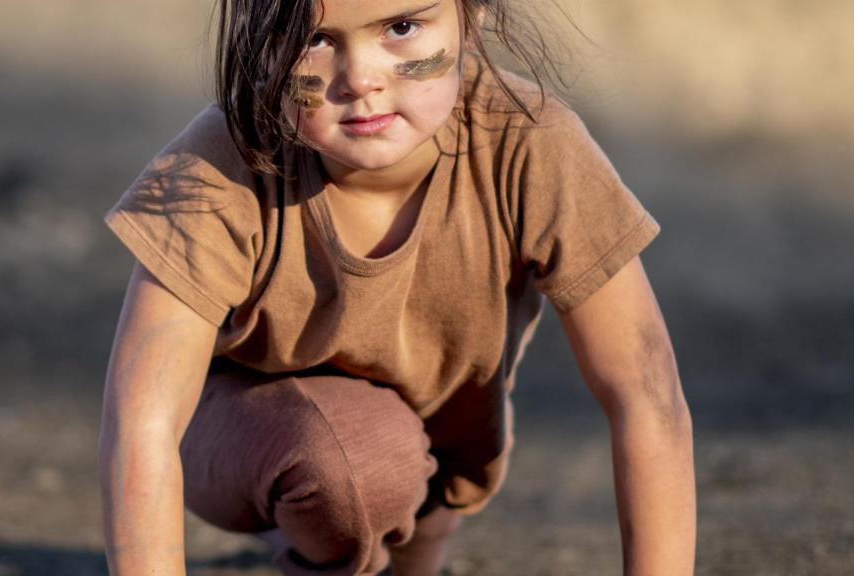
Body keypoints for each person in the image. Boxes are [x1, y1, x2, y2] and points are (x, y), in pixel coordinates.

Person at [98, 0, 696, 574]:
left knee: (385, 483)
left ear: (471, 16)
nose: (360, 79)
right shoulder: (222, 164)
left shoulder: (532, 147)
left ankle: (390, 545)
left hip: (438, 463)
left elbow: (645, 392)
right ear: (262, 45)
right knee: (356, 463)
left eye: (402, 26)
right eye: (314, 39)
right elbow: (141, 416)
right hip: (243, 442)